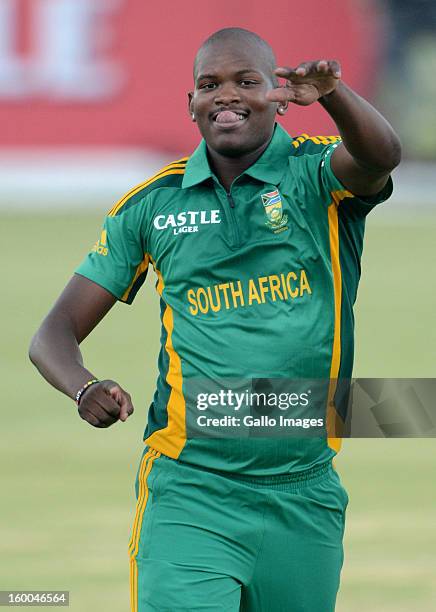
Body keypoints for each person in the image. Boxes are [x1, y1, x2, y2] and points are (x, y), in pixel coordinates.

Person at [29, 27, 401, 612]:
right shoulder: (154, 203)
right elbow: (52, 334)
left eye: (246, 82)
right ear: (191, 104)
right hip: (190, 488)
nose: (226, 96)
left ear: (276, 94)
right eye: (209, 85)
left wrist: (334, 95)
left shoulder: (319, 175)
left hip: (305, 491)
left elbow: (381, 156)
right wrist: (84, 387)